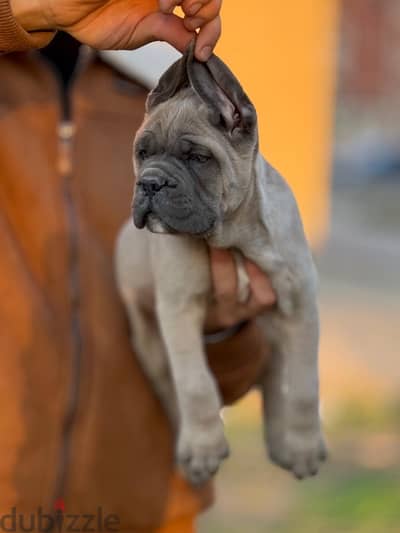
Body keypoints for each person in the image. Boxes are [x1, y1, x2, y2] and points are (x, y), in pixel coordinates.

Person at [0, 1, 276, 531]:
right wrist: (24, 11)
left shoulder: (183, 105)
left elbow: (233, 375)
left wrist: (225, 328)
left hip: (139, 512)